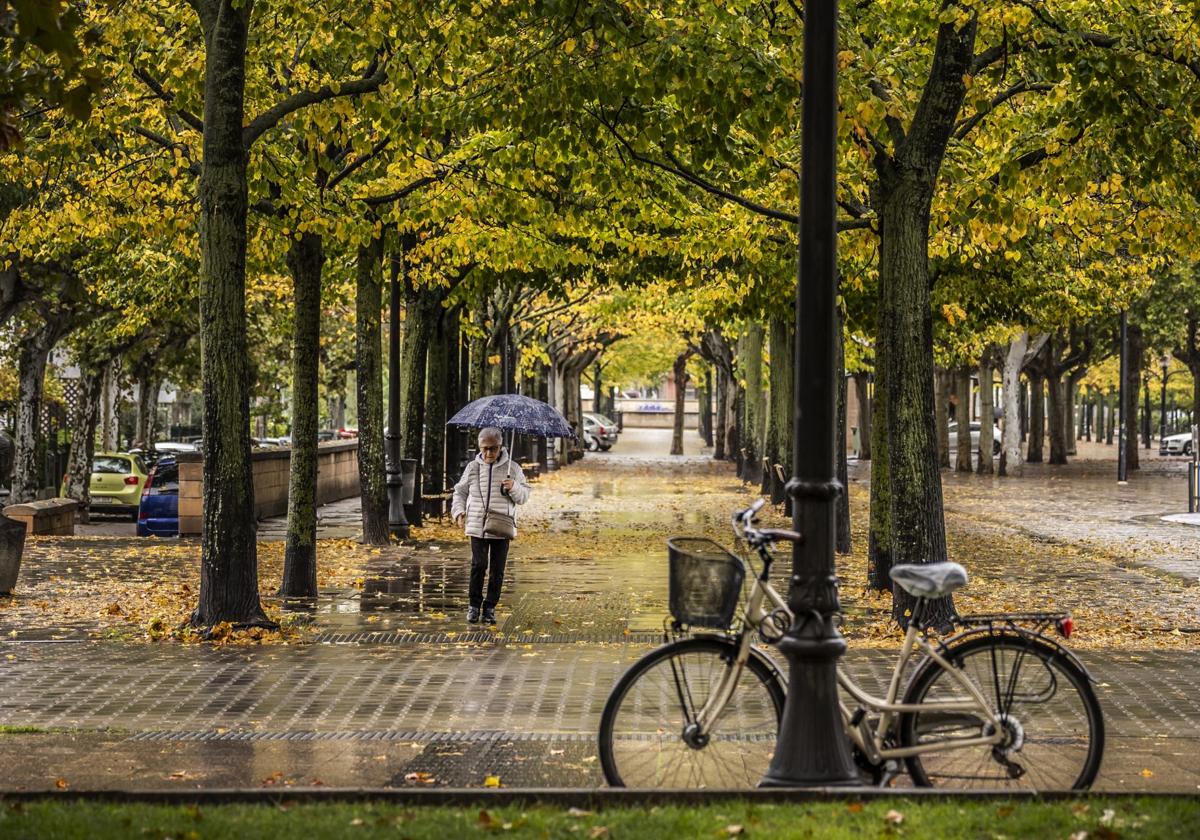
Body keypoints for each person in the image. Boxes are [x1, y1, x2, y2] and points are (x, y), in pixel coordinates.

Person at [451, 427, 531, 624]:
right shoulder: (473, 468)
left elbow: (524, 497)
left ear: (500, 446)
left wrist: (514, 487)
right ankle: (473, 605)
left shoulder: (513, 469)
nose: (488, 453)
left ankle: (489, 607)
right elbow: (460, 492)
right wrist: (458, 511)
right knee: (478, 565)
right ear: (479, 447)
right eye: (485, 448)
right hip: (477, 524)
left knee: (498, 569)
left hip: (501, 526)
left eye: (493, 448)